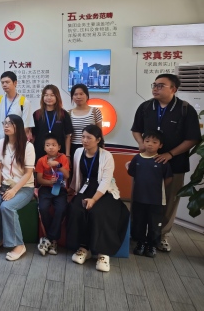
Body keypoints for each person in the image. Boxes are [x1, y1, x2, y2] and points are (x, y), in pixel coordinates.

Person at [131, 73, 200, 252]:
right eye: (154, 85)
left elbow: (193, 138)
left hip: (174, 164)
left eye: (161, 85)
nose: (155, 88)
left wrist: (170, 154)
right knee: (141, 198)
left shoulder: (185, 109)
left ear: (173, 89)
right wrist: (141, 144)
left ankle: (161, 236)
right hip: (146, 164)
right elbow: (136, 129)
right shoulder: (145, 107)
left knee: (169, 201)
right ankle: (138, 235)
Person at [67, 125, 130, 272]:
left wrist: (94, 200)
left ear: (98, 140)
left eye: (89, 137)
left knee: (100, 212)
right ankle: (84, 247)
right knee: (76, 209)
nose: (85, 140)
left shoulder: (107, 156)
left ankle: (103, 253)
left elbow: (106, 181)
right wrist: (72, 191)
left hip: (104, 191)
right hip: (85, 189)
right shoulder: (78, 152)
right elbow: (77, 176)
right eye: (83, 137)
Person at [0, 114, 35, 261]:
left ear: (18, 127)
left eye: (10, 123)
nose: (6, 126)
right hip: (5, 185)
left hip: (24, 187)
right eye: (4, 123)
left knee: (7, 207)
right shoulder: (1, 143)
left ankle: (19, 245)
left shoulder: (28, 146)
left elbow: (28, 173)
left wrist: (14, 190)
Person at [127, 131, 173, 258]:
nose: (150, 144)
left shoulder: (162, 161)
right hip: (139, 198)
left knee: (154, 225)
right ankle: (140, 243)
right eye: (147, 141)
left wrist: (158, 188)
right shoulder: (137, 158)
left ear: (160, 145)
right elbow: (131, 172)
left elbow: (168, 178)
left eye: (154, 142)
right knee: (139, 222)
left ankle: (151, 245)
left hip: (156, 200)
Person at [35, 133, 70, 256]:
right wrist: (49, 182)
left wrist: (58, 165)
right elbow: (39, 179)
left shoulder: (63, 158)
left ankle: (49, 239)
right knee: (43, 208)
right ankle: (53, 239)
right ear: (44, 148)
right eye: (48, 145)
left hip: (60, 188)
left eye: (53, 145)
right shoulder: (41, 160)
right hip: (45, 188)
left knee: (61, 209)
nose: (51, 147)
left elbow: (67, 175)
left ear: (59, 147)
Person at [0, 71, 34, 144]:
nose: (4, 85)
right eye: (2, 83)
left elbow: (25, 126)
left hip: (17, 143)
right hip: (1, 142)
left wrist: (17, 141)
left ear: (15, 83)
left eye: (7, 82)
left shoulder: (24, 102)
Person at [32, 84, 73, 162]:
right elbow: (33, 136)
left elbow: (68, 136)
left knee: (58, 170)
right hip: (40, 152)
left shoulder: (63, 114)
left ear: (57, 97)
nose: (49, 98)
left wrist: (67, 155)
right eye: (46, 95)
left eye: (52, 95)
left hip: (59, 152)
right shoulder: (37, 114)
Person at [69, 84, 102, 162]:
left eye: (81, 94)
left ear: (87, 96)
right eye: (75, 94)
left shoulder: (95, 111)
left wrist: (102, 146)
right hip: (74, 147)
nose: (78, 97)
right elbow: (68, 136)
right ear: (72, 97)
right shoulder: (68, 113)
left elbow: (99, 132)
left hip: (92, 147)